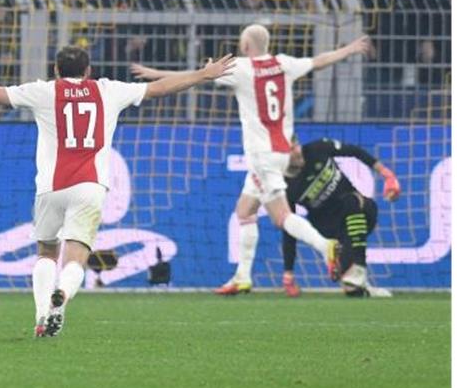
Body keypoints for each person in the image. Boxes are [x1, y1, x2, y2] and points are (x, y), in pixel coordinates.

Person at [0, 46, 236, 337]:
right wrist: (203, 75)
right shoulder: (109, 90)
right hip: (90, 188)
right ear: (88, 71)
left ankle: (41, 315)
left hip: (50, 187)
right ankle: (62, 296)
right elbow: (159, 88)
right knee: (76, 254)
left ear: (56, 70)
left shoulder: (43, 91)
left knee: (46, 252)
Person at [131, 24, 374, 294]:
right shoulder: (284, 64)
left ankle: (326, 247)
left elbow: (199, 75)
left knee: (281, 216)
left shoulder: (243, 69)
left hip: (262, 155)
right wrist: (349, 49)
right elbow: (319, 61)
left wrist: (156, 74)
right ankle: (242, 277)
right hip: (283, 151)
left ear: (245, 46)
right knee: (245, 211)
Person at [279, 137, 400, 298]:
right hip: (328, 228)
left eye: (296, 146)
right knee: (353, 291)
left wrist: (387, 174)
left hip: (360, 210)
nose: (297, 151)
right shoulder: (284, 186)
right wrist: (288, 273)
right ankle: (358, 281)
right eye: (291, 150)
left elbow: (354, 151)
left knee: (352, 201)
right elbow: (289, 229)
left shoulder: (317, 148)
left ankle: (355, 270)